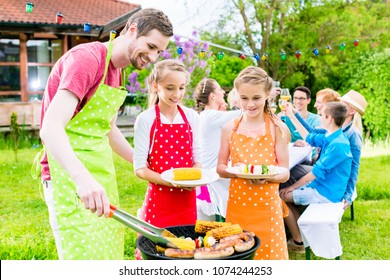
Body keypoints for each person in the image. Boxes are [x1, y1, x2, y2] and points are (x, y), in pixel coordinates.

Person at [37, 8, 173, 260]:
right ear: (132, 30)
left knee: (106, 256)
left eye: (159, 52)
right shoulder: (87, 59)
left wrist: (144, 162)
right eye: (151, 46)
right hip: (71, 178)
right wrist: (83, 180)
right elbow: (50, 128)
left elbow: (108, 129)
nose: (153, 57)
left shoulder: (117, 71)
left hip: (100, 178)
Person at [217, 66, 291, 260]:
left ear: (267, 95)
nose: (250, 104)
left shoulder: (277, 128)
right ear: (237, 96)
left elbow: (285, 172)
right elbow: (220, 168)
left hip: (267, 209)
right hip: (238, 209)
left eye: (256, 98)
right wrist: (237, 173)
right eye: (244, 98)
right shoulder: (228, 128)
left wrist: (268, 177)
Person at [133, 59, 201, 228]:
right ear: (156, 86)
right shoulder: (146, 119)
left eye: (181, 87)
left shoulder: (192, 117)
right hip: (159, 200)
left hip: (186, 200)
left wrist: (190, 180)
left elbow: (198, 159)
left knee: (185, 248)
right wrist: (170, 182)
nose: (177, 94)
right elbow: (140, 169)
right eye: (170, 88)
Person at [280, 102, 352, 253]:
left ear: (329, 118)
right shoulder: (332, 136)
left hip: (325, 193)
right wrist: (292, 115)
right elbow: (309, 137)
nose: (319, 117)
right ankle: (301, 233)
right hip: (323, 187)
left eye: (321, 115)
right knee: (285, 189)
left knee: (279, 197)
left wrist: (291, 187)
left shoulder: (338, 145)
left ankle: (298, 240)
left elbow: (313, 174)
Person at [285, 90, 368, 209]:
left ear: (352, 111)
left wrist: (348, 195)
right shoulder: (336, 129)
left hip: (328, 180)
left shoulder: (351, 135)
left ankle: (292, 209)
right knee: (292, 170)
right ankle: (293, 211)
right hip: (325, 175)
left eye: (343, 103)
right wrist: (295, 113)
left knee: (291, 172)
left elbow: (354, 167)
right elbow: (312, 132)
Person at [194, 78, 242, 221]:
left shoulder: (208, 116)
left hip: (212, 174)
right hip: (212, 178)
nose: (223, 92)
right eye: (220, 89)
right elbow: (244, 114)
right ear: (213, 96)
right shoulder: (210, 116)